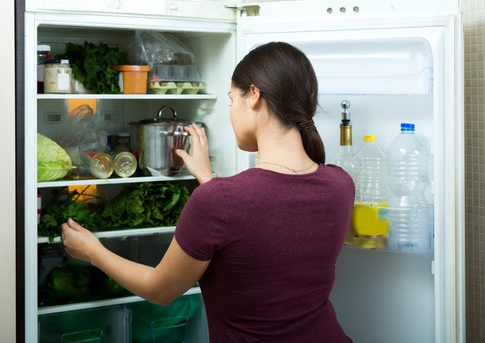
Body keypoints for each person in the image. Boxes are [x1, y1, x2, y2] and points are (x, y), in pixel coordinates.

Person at [62, 42, 355, 342]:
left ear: (253, 96)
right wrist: (209, 180)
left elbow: (160, 290)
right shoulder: (341, 185)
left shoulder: (219, 202)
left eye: (231, 100)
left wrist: (92, 251)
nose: (230, 112)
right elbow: (266, 219)